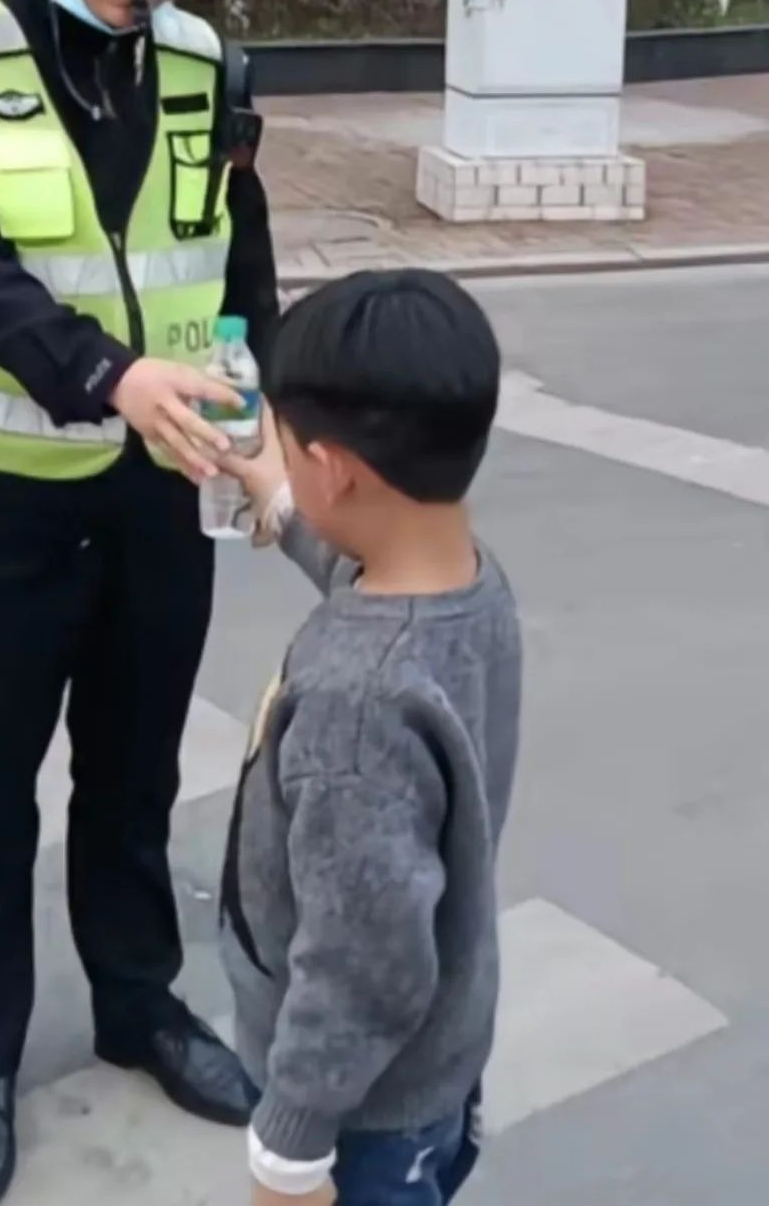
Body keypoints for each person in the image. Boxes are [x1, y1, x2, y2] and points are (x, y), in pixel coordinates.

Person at [0, 0, 279, 1205]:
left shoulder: (209, 66)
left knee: (135, 770)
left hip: (165, 501)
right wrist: (111, 376)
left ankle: (137, 1002)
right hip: (5, 502)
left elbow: (236, 256)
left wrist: (262, 413)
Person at [217, 268, 522, 1206]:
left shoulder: (357, 705)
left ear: (336, 467)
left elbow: (360, 968)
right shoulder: (468, 580)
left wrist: (290, 1155)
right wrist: (278, 498)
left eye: (288, 448)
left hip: (362, 1120)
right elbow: (365, 566)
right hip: (435, 1062)